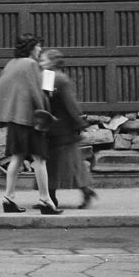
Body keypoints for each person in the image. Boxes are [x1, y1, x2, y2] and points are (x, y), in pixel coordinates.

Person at [0, 32, 61, 214]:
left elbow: (1, 88)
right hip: (30, 119)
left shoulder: (11, 64)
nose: (40, 49)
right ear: (31, 47)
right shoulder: (30, 64)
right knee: (40, 159)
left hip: (15, 120)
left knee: (17, 158)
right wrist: (47, 104)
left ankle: (9, 198)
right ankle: (45, 200)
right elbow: (38, 92)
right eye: (38, 46)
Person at [40, 48, 98, 210]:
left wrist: (79, 124)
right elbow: (45, 101)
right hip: (53, 127)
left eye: (43, 60)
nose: (40, 62)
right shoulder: (49, 77)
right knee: (58, 163)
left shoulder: (61, 80)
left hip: (62, 128)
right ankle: (52, 197)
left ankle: (82, 191)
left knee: (66, 163)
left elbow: (70, 104)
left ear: (52, 62)